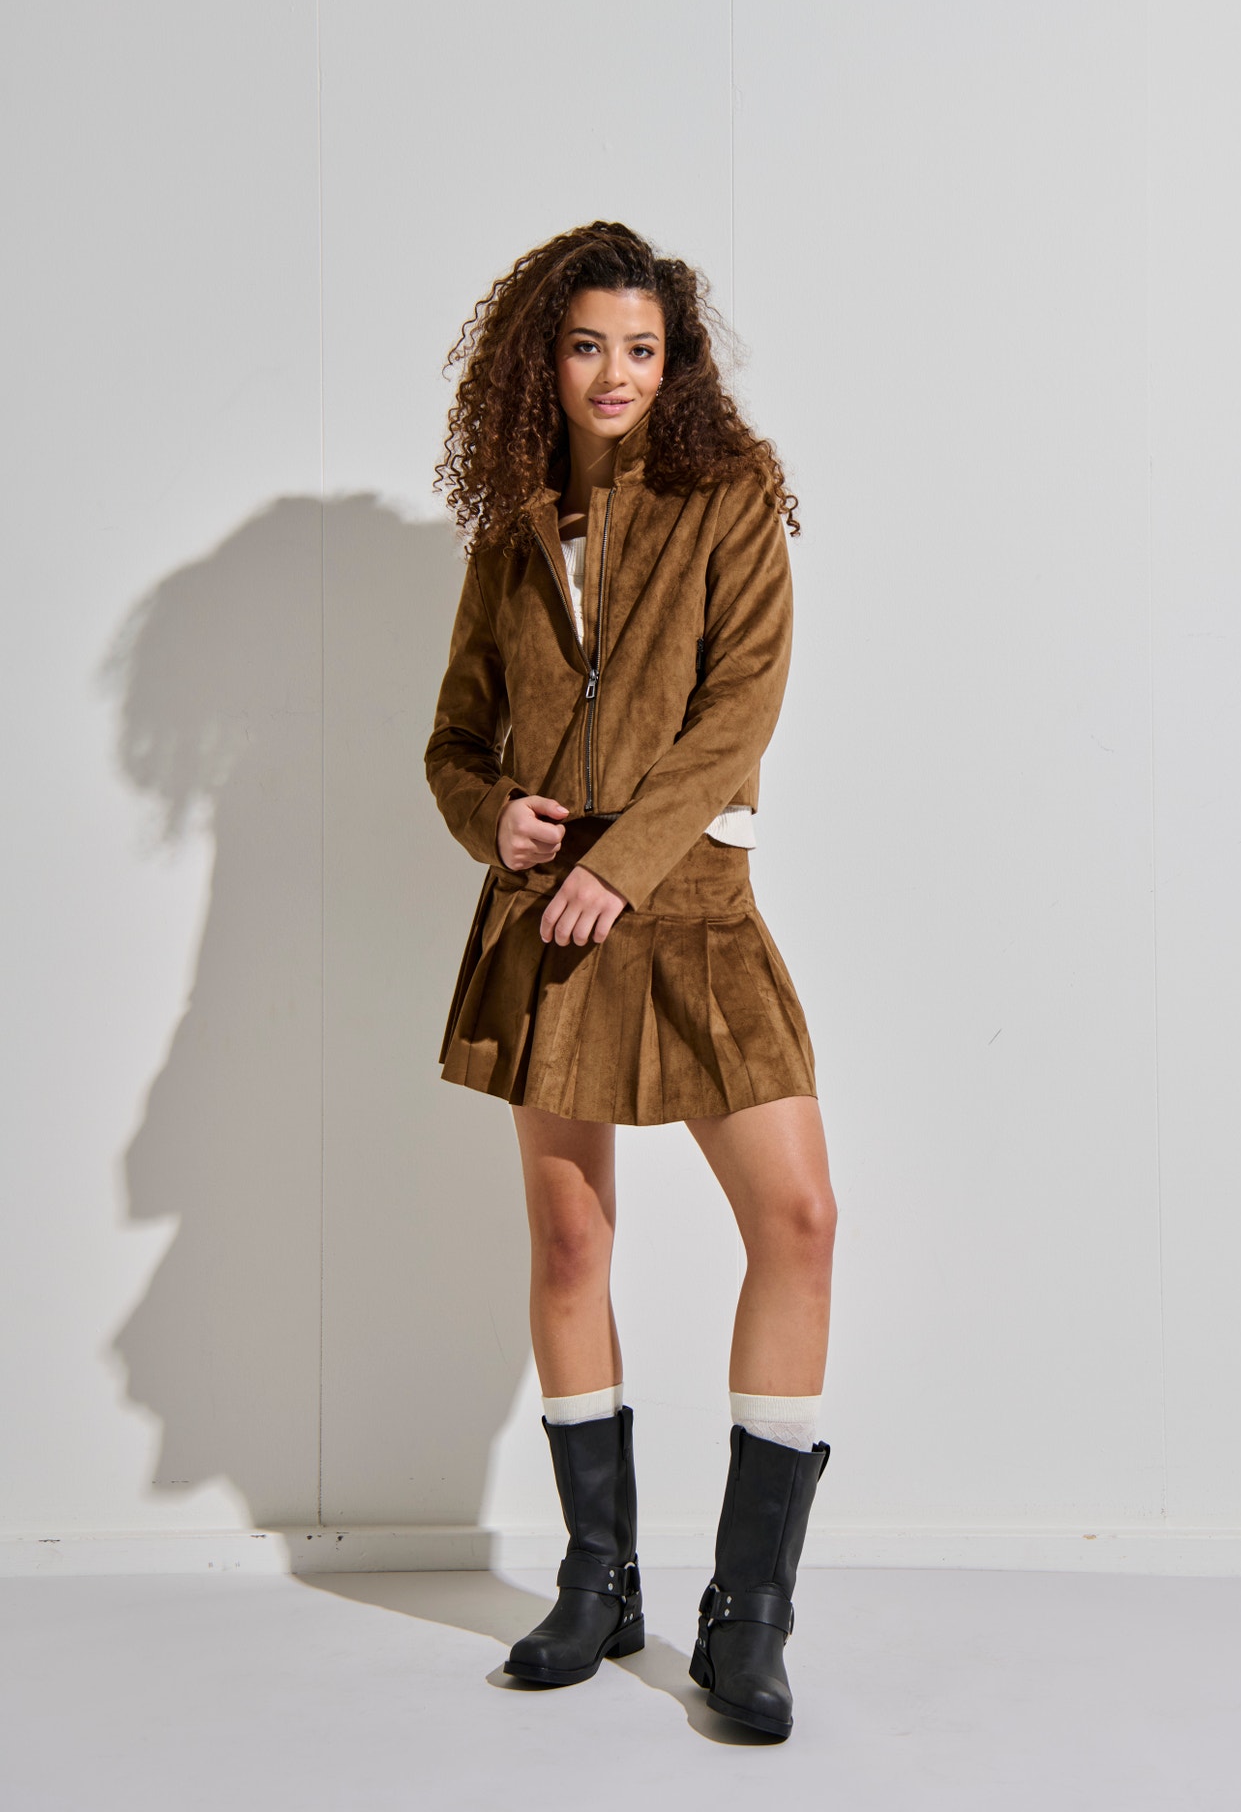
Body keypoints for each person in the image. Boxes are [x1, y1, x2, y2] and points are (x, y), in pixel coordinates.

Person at [425, 221, 837, 1740]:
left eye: (644, 348)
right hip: (549, 923)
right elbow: (454, 740)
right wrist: (497, 819)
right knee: (568, 1244)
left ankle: (751, 1615)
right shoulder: (511, 536)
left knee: (799, 1218)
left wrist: (626, 862)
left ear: (678, 362)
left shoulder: (729, 498)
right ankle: (598, 1583)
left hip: (692, 908)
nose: (618, 373)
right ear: (545, 359)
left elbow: (739, 711)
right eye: (591, 344)